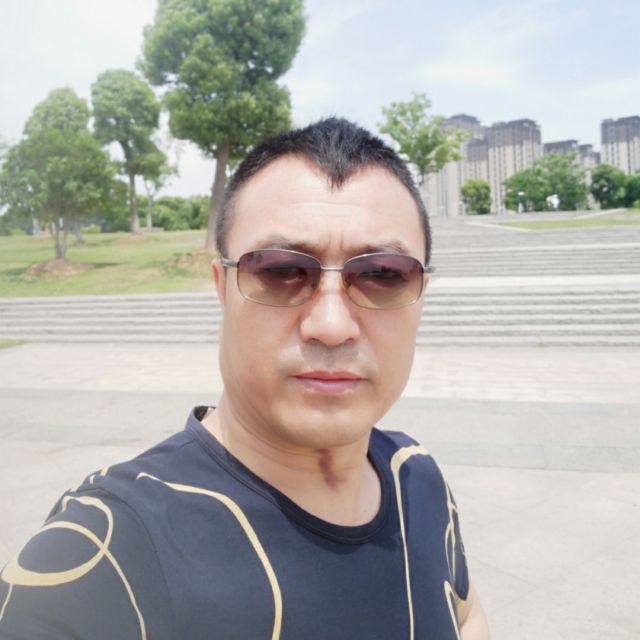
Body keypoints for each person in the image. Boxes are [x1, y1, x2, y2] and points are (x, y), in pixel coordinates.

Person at [0, 118, 489, 639]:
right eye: (279, 270)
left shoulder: (415, 475)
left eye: (384, 274)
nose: (331, 326)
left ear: (421, 292)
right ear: (223, 286)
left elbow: (466, 615)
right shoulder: (100, 557)